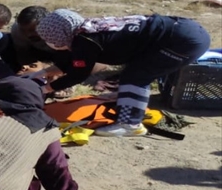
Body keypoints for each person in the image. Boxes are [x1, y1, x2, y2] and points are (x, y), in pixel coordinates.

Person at [36, 9, 211, 137]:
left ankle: (131, 124)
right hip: (184, 29)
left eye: (48, 39)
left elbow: (79, 74)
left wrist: (46, 89)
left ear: (58, 34)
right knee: (136, 72)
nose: (49, 43)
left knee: (137, 76)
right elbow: (74, 63)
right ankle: (128, 100)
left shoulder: (85, 41)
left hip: (183, 42)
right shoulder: (87, 29)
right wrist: (43, 73)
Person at [0, 5, 57, 74]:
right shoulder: (17, 30)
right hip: (36, 53)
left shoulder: (58, 31)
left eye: (33, 30)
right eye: (23, 30)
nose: (28, 34)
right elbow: (23, 54)